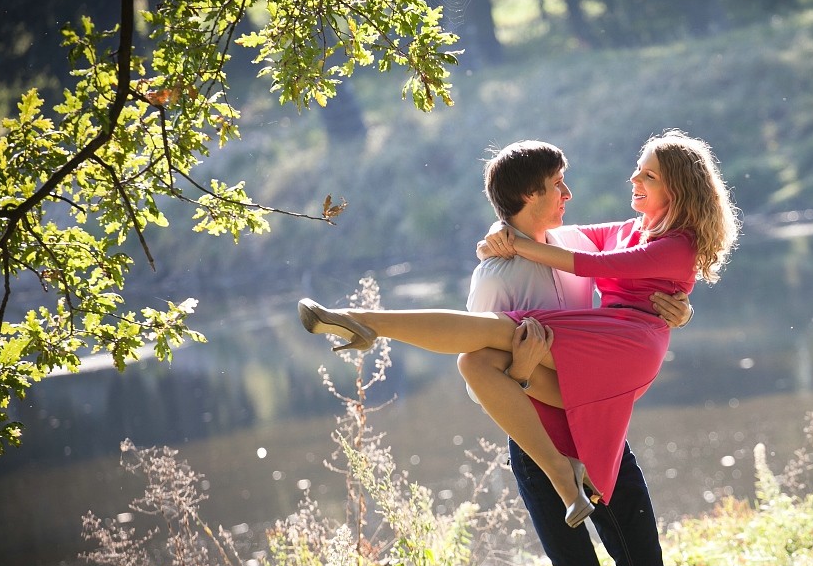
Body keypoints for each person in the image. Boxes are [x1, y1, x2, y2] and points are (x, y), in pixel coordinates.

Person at [297, 128, 740, 531]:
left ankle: (365, 321)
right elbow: (558, 240)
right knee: (476, 359)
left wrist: (683, 311)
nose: (633, 181)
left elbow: (592, 264)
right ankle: (566, 477)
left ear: (676, 189)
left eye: (648, 176)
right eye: (637, 171)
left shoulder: (674, 244)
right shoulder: (620, 233)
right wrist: (503, 237)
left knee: (502, 331)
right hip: (573, 376)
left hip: (625, 347)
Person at [462, 139, 689, 566]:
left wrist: (675, 307)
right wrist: (519, 367)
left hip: (599, 430)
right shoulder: (495, 274)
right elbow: (481, 376)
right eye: (558, 185)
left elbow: (635, 278)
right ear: (527, 195)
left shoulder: (571, 243)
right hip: (540, 446)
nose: (569, 194)